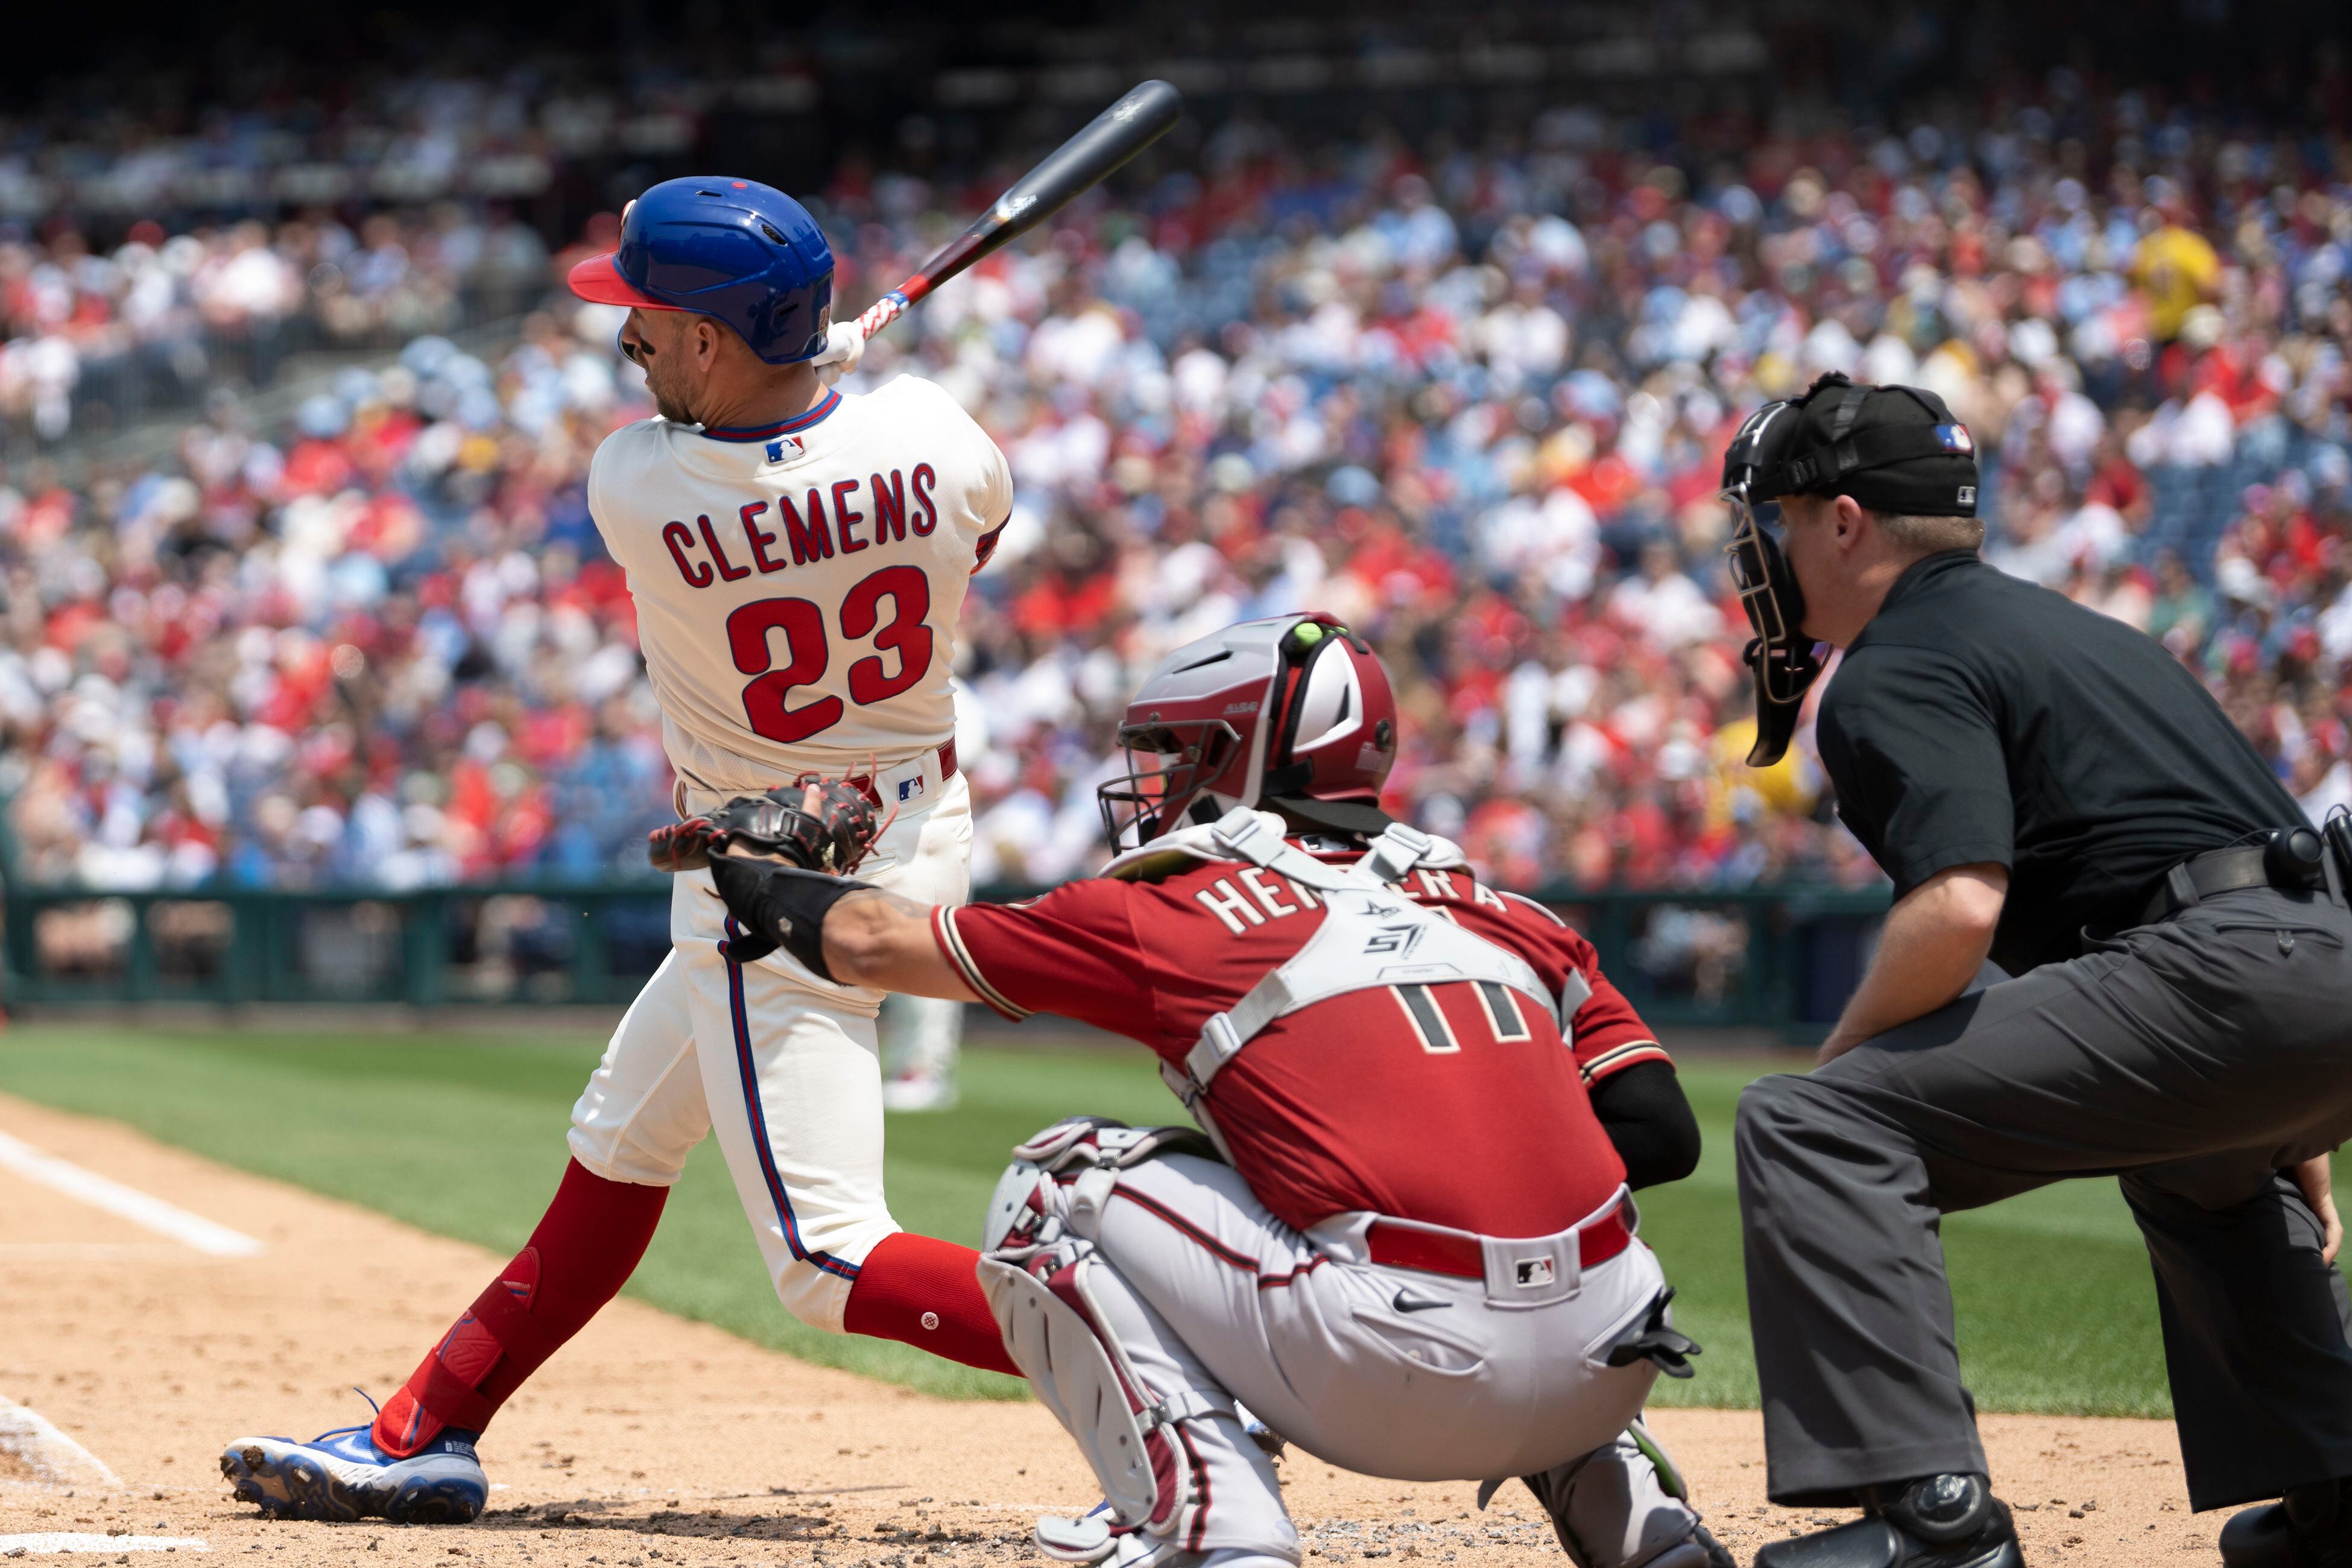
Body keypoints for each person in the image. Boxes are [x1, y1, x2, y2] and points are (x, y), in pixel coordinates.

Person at [220, 175, 1023, 1524]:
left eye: (647, 322)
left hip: (773, 890)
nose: (627, 344)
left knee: (826, 1258)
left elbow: (743, 448)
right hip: (912, 831)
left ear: (711, 342)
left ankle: (1164, 1362)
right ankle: (427, 1424)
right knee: (622, 1140)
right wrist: (828, 401)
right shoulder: (939, 435)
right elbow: (971, 534)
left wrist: (802, 400)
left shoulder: (637, 485)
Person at [698, 613, 1734, 1568]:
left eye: (1174, 754)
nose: (1152, 784)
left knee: (1059, 1180)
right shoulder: (1507, 909)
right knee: (1538, 1231)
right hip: (1611, 1359)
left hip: (1392, 1371)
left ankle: (1215, 1535)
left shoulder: (1175, 907)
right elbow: (1660, 1132)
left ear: (1235, 757)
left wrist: (750, 862)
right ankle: (1637, 1522)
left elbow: (870, 943)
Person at [1716, 371, 2352, 1568]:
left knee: (1809, 1126)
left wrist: (1840, 1073)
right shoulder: (2088, 633)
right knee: (2197, 1166)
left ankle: (1933, 1523)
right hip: (2319, 969)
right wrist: (2288, 1122)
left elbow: (1959, 905)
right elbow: (2244, 858)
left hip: (2224, 975)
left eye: (1784, 520)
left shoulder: (1892, 665)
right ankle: (2340, 1497)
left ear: (1844, 522)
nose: (1766, 548)